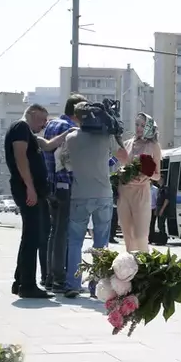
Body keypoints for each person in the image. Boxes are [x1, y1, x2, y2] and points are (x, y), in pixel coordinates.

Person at [6, 104, 72, 299]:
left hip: (32, 189)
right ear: (33, 115)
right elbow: (20, 158)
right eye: (42, 120)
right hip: (27, 189)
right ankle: (27, 285)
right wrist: (30, 187)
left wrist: (69, 132)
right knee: (33, 237)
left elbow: (48, 145)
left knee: (30, 235)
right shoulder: (20, 128)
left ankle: (20, 281)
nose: (44, 124)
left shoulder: (28, 133)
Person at [62, 102, 116, 298]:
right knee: (101, 242)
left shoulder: (70, 137)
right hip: (103, 194)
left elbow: (66, 164)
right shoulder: (105, 136)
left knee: (75, 241)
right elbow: (123, 157)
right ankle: (96, 286)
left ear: (76, 117)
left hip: (80, 194)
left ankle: (73, 283)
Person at [43, 94, 86, 292]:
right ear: (77, 112)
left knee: (55, 232)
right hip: (65, 184)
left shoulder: (52, 124)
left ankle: (50, 277)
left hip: (51, 185)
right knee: (64, 234)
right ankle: (60, 278)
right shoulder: (69, 129)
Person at [116, 113, 162, 252]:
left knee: (140, 236)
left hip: (141, 193)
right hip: (124, 192)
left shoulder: (153, 146)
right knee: (127, 236)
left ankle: (143, 268)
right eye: (137, 125)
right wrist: (121, 172)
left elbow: (157, 176)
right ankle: (130, 269)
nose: (139, 128)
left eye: (142, 125)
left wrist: (146, 176)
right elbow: (120, 164)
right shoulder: (127, 144)